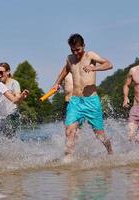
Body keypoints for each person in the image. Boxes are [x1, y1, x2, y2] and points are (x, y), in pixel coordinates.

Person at [52, 33, 113, 161]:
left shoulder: (90, 55)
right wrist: (57, 82)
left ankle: (110, 151)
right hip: (75, 101)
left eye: (78, 50)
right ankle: (68, 160)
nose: (75, 53)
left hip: (91, 101)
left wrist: (95, 68)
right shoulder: (70, 58)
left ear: (83, 46)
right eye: (72, 50)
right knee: (69, 130)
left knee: (100, 135)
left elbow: (109, 64)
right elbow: (66, 69)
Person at [0, 62, 22, 138]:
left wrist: (22, 96)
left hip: (12, 116)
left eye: (1, 72)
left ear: (8, 72)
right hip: (1, 118)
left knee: (9, 139)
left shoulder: (14, 83)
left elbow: (17, 98)